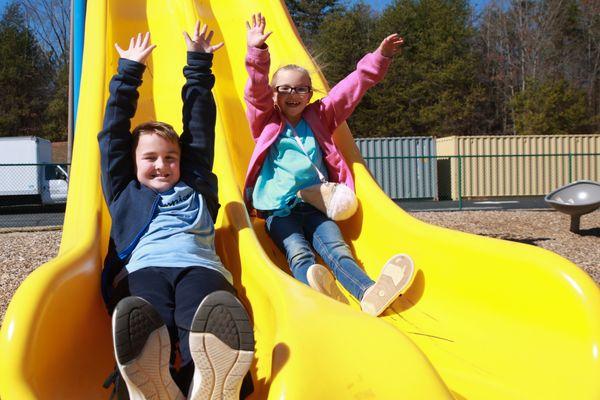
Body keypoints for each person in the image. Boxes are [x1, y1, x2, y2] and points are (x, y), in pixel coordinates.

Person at [98, 23, 254, 400]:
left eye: (170, 158)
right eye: (150, 158)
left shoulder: (197, 184)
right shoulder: (123, 191)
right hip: (142, 270)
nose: (162, 165)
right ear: (132, 163)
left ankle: (208, 382)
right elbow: (113, 135)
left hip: (199, 267)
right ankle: (144, 386)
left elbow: (199, 128)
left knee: (204, 314)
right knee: (146, 320)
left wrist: (199, 64)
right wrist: (128, 74)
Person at [242, 13, 415, 317]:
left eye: (300, 89)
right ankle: (318, 293)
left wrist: (380, 57)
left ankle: (367, 292)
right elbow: (255, 95)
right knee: (297, 252)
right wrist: (257, 54)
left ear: (310, 94)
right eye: (284, 88)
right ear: (274, 93)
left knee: (337, 250)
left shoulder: (319, 116)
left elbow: (352, 87)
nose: (293, 94)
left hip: (315, 205)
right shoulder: (266, 122)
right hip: (278, 209)